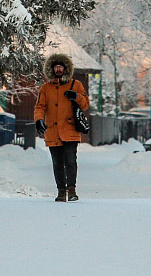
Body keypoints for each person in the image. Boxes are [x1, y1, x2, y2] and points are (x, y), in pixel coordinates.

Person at [34, 53, 89, 202]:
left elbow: (85, 104)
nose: (58, 69)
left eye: (61, 67)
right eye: (56, 67)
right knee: (57, 162)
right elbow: (40, 106)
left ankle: (72, 190)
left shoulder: (76, 85)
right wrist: (39, 120)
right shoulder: (45, 88)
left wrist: (76, 96)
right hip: (52, 131)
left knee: (70, 160)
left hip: (70, 130)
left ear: (66, 68)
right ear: (52, 69)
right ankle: (61, 191)